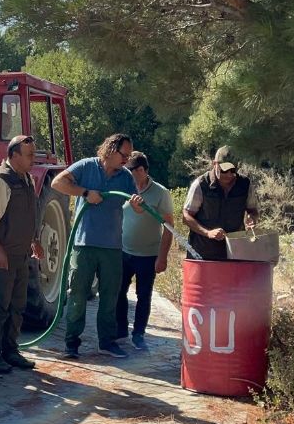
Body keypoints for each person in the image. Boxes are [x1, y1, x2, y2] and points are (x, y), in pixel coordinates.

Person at [52, 134, 141, 359]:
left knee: (110, 296)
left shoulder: (126, 177)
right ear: (111, 149)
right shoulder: (86, 166)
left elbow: (138, 207)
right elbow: (57, 182)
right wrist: (85, 192)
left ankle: (107, 342)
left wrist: (138, 204)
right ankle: (71, 344)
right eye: (124, 155)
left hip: (112, 247)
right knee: (78, 295)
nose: (126, 160)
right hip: (84, 245)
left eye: (129, 156)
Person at [0, 134, 45, 373]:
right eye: (29, 155)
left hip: (20, 255)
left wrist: (34, 240)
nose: (33, 160)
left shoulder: (24, 178)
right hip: (2, 254)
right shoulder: (0, 180)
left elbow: (26, 215)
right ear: (14, 155)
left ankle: (10, 350)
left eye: (33, 154)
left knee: (18, 305)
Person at [115, 151, 174, 351]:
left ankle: (138, 334)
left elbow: (169, 227)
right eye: (128, 170)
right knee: (118, 291)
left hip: (148, 255)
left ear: (143, 170)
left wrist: (162, 257)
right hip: (123, 252)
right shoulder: (124, 188)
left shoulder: (160, 193)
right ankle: (121, 329)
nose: (130, 174)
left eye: (133, 170)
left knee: (144, 295)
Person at [182, 145, 259, 260]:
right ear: (214, 164)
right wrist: (208, 233)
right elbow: (186, 216)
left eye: (233, 170)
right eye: (224, 169)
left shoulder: (245, 184)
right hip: (203, 254)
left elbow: (253, 211)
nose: (229, 174)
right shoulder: (201, 185)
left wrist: (252, 219)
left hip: (235, 252)